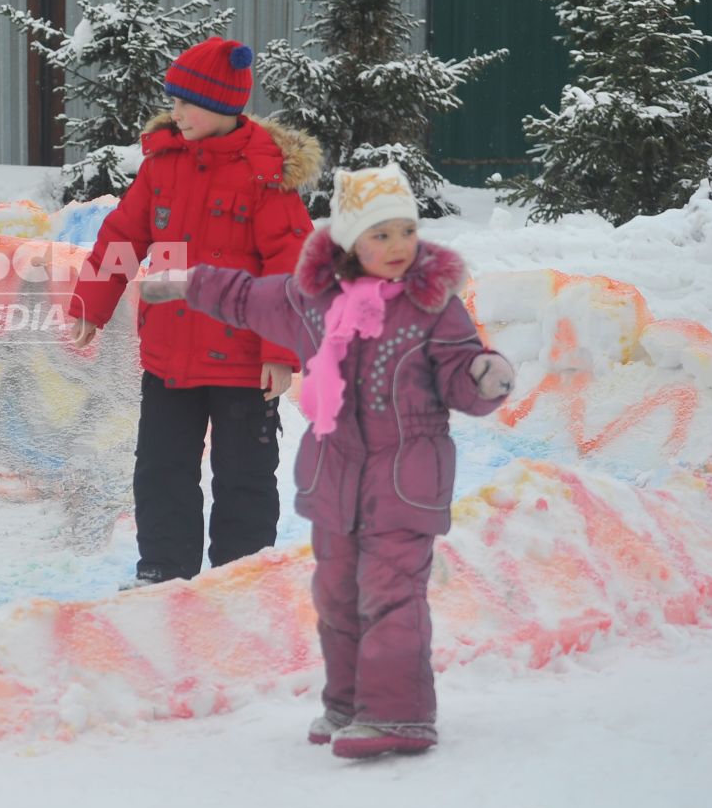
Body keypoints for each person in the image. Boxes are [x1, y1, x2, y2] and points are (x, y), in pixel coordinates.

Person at [137, 163, 515, 758]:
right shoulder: (310, 299)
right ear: (348, 242)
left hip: (406, 473)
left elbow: (460, 373)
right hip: (337, 473)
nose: (397, 247)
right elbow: (245, 296)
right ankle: (348, 702)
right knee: (337, 593)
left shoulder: (433, 305)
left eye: (405, 232)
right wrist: (187, 284)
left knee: (390, 592)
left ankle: (401, 714)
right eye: (379, 234)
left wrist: (483, 378)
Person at [68, 37, 319, 586]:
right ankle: (163, 569)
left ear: (225, 105)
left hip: (243, 362)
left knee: (245, 476)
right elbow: (122, 236)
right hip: (169, 358)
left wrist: (282, 353)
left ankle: (241, 577)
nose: (175, 113)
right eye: (173, 101)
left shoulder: (265, 175)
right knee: (161, 470)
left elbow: (290, 267)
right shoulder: (163, 165)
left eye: (187, 103)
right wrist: (91, 302)